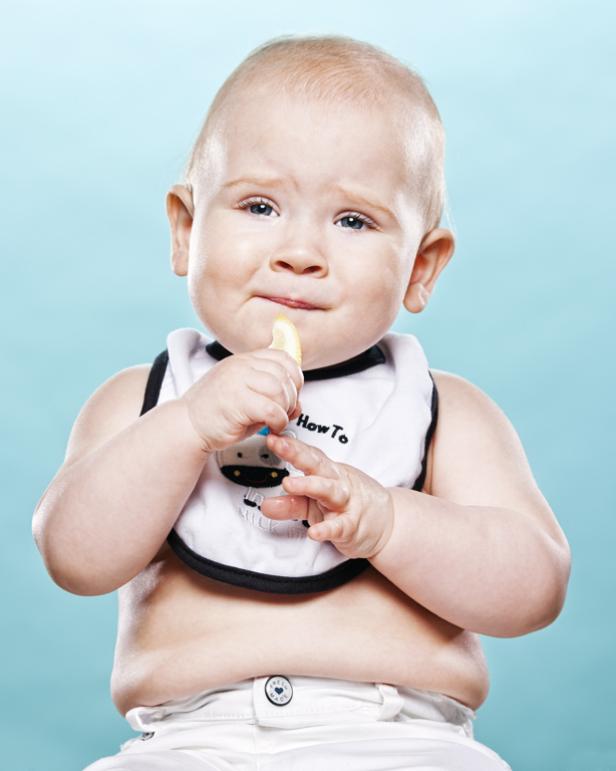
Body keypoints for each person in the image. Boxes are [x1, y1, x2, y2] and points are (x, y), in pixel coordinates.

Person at [32, 33, 571, 770]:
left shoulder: (445, 412)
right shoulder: (145, 399)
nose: (300, 252)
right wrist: (185, 426)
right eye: (259, 205)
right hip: (191, 741)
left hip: (401, 738)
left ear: (421, 266)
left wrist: (386, 520)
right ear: (187, 229)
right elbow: (73, 555)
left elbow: (533, 585)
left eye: (353, 220)